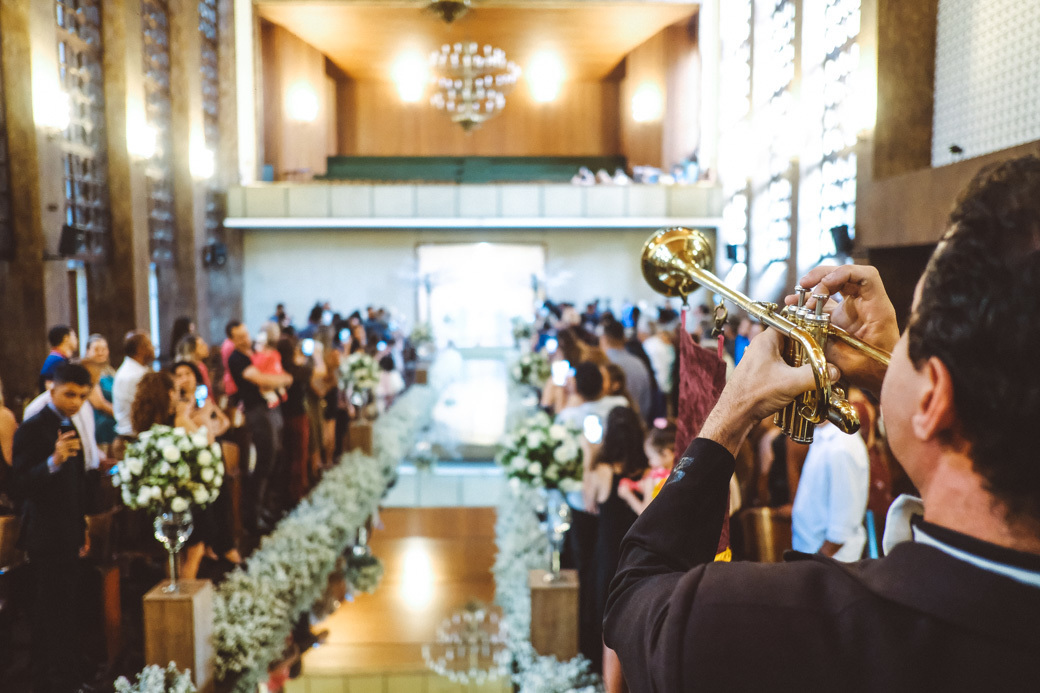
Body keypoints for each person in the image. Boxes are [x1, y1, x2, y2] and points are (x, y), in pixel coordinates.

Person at [604, 156, 1040, 691]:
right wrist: (898, 378)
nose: (895, 344)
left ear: (937, 399)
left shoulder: (765, 624)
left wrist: (732, 409)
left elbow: (632, 596)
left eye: (914, 329)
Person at [12, 363, 93, 693]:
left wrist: (82, 526)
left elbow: (76, 486)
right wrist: (53, 462)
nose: (76, 402)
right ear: (51, 389)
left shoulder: (68, 423)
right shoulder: (32, 429)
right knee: (49, 613)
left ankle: (68, 677)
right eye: (69, 394)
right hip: (44, 534)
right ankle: (50, 681)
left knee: (68, 609)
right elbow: (17, 486)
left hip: (67, 532)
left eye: (82, 397)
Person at [582, 405, 648, 685]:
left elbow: (590, 504)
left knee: (605, 618)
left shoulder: (602, 471)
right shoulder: (646, 468)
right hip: (637, 553)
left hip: (608, 554)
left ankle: (608, 682)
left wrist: (588, 458)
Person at [227, 321, 292, 532]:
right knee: (263, 462)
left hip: (269, 408)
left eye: (246, 334)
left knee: (273, 460)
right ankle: (252, 517)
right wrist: (284, 379)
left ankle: (264, 507)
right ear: (232, 340)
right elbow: (260, 379)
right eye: (240, 337)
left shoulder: (254, 352)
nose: (245, 339)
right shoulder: (236, 359)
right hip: (256, 413)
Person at [790, 419, 870, 560]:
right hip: (815, 556)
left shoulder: (842, 446)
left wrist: (816, 561)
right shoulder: (823, 437)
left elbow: (841, 528)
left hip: (833, 563)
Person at [599, 320, 653, 423]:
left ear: (604, 339)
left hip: (610, 426)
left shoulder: (604, 365)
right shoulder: (638, 363)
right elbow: (647, 401)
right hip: (638, 424)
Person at [112, 331, 155, 437]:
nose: (154, 348)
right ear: (140, 349)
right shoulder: (133, 375)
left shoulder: (136, 369)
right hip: (132, 435)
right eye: (150, 344)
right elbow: (150, 406)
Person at [82, 334, 117, 448]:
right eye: (96, 349)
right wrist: (121, 415)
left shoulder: (109, 370)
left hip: (115, 426)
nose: (101, 352)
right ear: (88, 351)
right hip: (101, 427)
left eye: (104, 349)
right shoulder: (88, 374)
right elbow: (99, 403)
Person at [39, 324, 79, 392]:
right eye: (74, 336)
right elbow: (50, 388)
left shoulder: (58, 359)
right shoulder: (56, 361)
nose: (77, 339)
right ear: (66, 338)